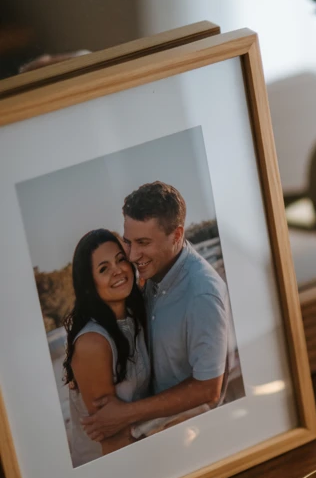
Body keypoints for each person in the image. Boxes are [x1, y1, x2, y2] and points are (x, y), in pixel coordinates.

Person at [81, 181, 229, 444]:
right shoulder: (150, 276)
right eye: (128, 242)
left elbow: (209, 389)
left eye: (143, 242)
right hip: (151, 435)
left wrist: (126, 414)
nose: (133, 255)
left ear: (176, 235)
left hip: (189, 436)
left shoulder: (202, 294)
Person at [65, 229, 151, 467]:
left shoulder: (135, 316)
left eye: (120, 259)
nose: (117, 270)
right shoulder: (92, 344)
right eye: (104, 269)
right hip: (107, 471)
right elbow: (113, 442)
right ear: (88, 285)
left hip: (143, 450)